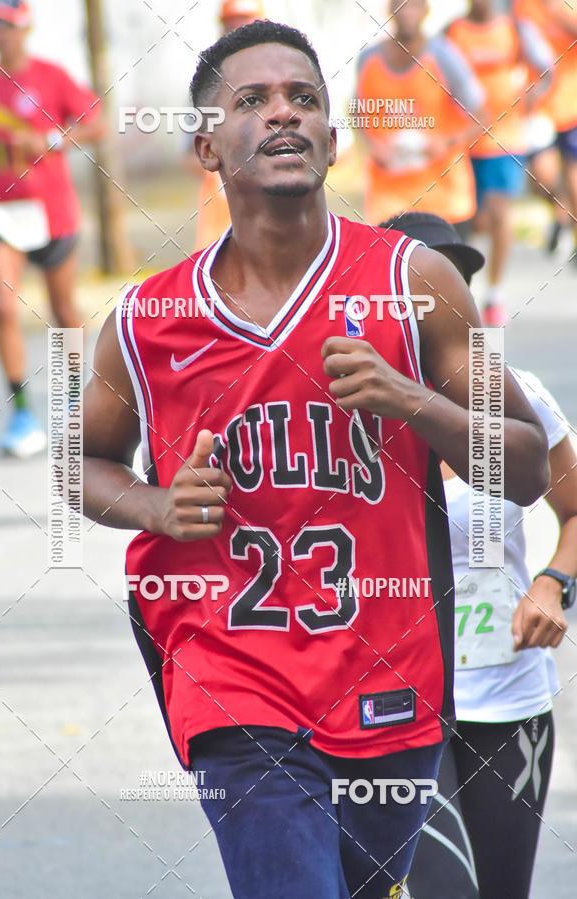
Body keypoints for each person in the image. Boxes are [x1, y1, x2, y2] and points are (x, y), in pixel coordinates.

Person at [82, 21, 550, 898]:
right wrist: (155, 507)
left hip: (389, 672)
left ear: (335, 141)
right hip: (233, 674)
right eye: (251, 101)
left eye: (303, 98)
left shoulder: (411, 282)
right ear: (205, 145)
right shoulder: (145, 320)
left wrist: (412, 399)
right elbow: (86, 465)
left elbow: (525, 466)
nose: (282, 114)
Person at [381, 212, 576, 899]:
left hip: (506, 699)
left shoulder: (520, 403)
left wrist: (553, 583)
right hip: (393, 704)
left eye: (453, 289)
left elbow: (575, 509)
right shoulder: (356, 411)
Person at [0, 0, 104, 457]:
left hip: (52, 213)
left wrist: (50, 140)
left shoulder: (52, 76)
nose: (0, 34)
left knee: (64, 311)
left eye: (7, 26)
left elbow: (95, 123)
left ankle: (75, 404)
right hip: (0, 213)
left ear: (24, 30)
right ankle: (22, 414)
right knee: (4, 309)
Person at [447, 0, 553, 326]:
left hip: (507, 140)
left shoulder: (516, 28)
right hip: (466, 142)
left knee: (499, 211)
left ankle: (494, 294)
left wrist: (534, 94)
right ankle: (467, 286)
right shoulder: (453, 33)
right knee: (475, 221)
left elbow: (548, 68)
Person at [354, 0, 486, 235]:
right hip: (389, 201)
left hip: (443, 198)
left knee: (446, 270)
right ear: (391, 9)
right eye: (401, 5)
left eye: (414, 5)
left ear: (426, 10)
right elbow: (356, 113)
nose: (407, 12)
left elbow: (482, 117)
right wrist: (371, 146)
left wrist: (445, 143)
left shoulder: (444, 55)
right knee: (392, 271)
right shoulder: (368, 59)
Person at [193, 0, 265, 251]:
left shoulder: (280, 76)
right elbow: (188, 154)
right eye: (231, 24)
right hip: (221, 208)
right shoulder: (207, 84)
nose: (238, 30)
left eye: (245, 22)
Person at [513, 0, 577, 260]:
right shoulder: (520, 5)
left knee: (573, 175)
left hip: (571, 103)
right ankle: (561, 214)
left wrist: (558, 14)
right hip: (539, 105)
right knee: (539, 177)